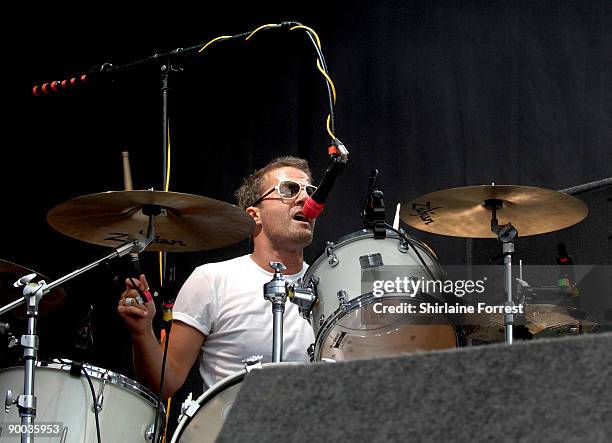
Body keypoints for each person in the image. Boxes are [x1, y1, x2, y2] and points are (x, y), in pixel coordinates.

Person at [117, 156, 317, 398]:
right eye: (289, 190)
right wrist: (142, 331)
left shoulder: (332, 285)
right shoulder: (212, 280)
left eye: (310, 191)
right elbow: (164, 383)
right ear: (254, 215)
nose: (307, 199)